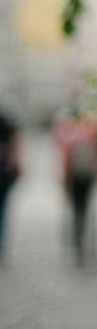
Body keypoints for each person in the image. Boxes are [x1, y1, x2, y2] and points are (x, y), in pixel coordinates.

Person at [53, 110, 97, 264]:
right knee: (87, 209)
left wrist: (64, 178)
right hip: (88, 178)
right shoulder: (94, 133)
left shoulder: (71, 135)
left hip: (75, 178)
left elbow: (66, 158)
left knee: (76, 209)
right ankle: (87, 242)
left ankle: (77, 240)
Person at [0, 110, 21, 260]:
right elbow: (15, 156)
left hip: (6, 173)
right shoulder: (9, 132)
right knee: (3, 210)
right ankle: (2, 246)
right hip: (5, 174)